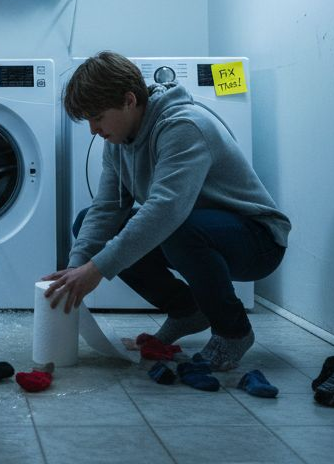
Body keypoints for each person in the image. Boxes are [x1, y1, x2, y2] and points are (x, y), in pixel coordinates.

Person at [42, 51, 291, 370]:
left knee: (176, 227)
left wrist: (96, 270)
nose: (93, 129)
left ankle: (233, 332)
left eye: (97, 117)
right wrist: (75, 269)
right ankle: (187, 311)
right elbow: (106, 209)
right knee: (86, 222)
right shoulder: (117, 142)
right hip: (195, 230)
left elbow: (165, 211)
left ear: (129, 100)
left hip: (258, 241)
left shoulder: (184, 126)